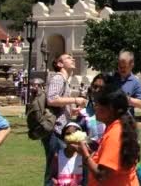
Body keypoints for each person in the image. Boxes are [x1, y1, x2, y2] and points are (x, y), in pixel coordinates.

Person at [75, 85, 140, 186]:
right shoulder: (115, 127)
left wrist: (85, 155)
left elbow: (102, 175)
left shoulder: (115, 134)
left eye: (97, 104)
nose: (94, 107)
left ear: (110, 108)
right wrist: (92, 155)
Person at [43, 54, 88, 186]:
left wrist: (70, 111)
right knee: (55, 168)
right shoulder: (58, 78)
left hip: (59, 129)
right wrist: (75, 100)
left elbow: (58, 103)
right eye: (68, 58)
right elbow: (51, 99)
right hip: (54, 130)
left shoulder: (64, 80)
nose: (73, 59)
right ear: (60, 64)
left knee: (58, 167)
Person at [112, 51, 141, 117]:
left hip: (125, 122)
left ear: (131, 65)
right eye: (119, 66)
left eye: (124, 67)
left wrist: (126, 99)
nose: (121, 69)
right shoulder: (111, 79)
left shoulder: (136, 82)